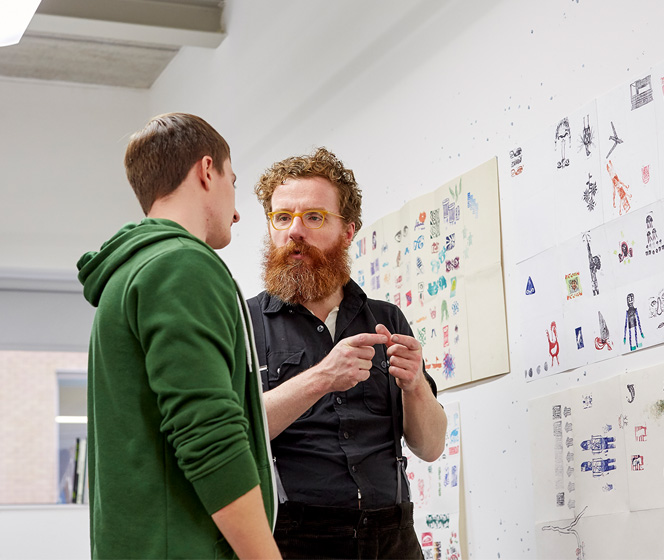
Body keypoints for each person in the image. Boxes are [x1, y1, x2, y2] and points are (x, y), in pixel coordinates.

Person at [77, 113, 280, 559]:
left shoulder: (127, 274)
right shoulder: (180, 266)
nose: (238, 209)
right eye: (233, 181)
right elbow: (208, 433)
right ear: (207, 171)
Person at [247, 147, 447, 559]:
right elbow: (235, 430)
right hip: (294, 538)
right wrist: (322, 377)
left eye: (314, 217)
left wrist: (414, 388)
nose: (294, 231)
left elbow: (429, 447)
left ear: (348, 231)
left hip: (393, 536)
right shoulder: (245, 323)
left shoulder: (386, 318)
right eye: (282, 218)